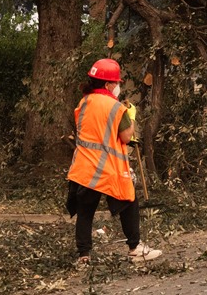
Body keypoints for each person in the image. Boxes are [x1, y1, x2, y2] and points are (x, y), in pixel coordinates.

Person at [66, 58, 162, 265]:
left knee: (85, 212)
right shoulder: (116, 107)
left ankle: (84, 255)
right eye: (117, 83)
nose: (118, 86)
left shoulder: (83, 103)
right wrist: (131, 116)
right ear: (109, 84)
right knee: (129, 201)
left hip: (84, 167)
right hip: (108, 168)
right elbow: (127, 137)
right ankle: (135, 249)